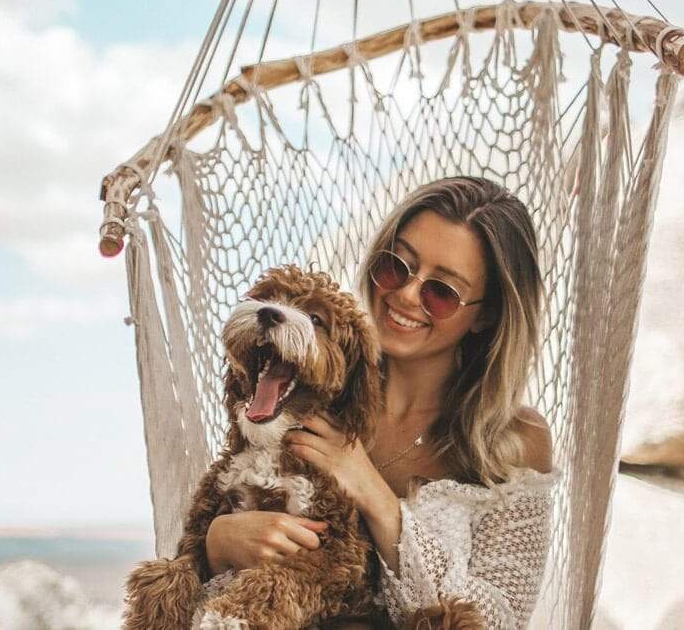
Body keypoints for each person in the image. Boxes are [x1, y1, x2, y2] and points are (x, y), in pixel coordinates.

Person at [204, 176, 557, 628]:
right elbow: (223, 521)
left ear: (485, 315)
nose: (407, 295)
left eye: (442, 292)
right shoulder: (305, 390)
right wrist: (217, 544)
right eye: (397, 266)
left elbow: (500, 619)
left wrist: (374, 494)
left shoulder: (514, 441)